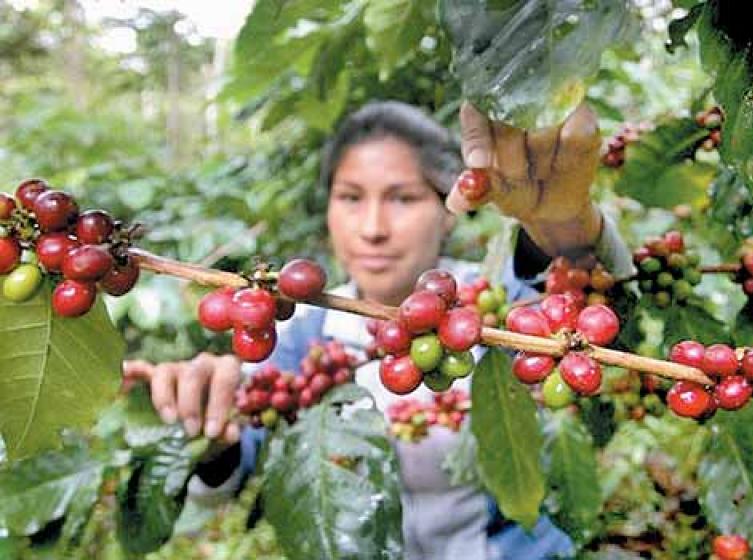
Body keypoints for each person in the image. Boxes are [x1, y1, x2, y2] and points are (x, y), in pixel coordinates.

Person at [124, 100, 633, 559]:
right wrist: (210, 430)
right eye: (350, 197)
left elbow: (577, 299)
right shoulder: (302, 331)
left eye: (403, 198)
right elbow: (230, 470)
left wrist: (565, 226)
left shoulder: (488, 309)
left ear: (449, 210)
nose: (372, 228)